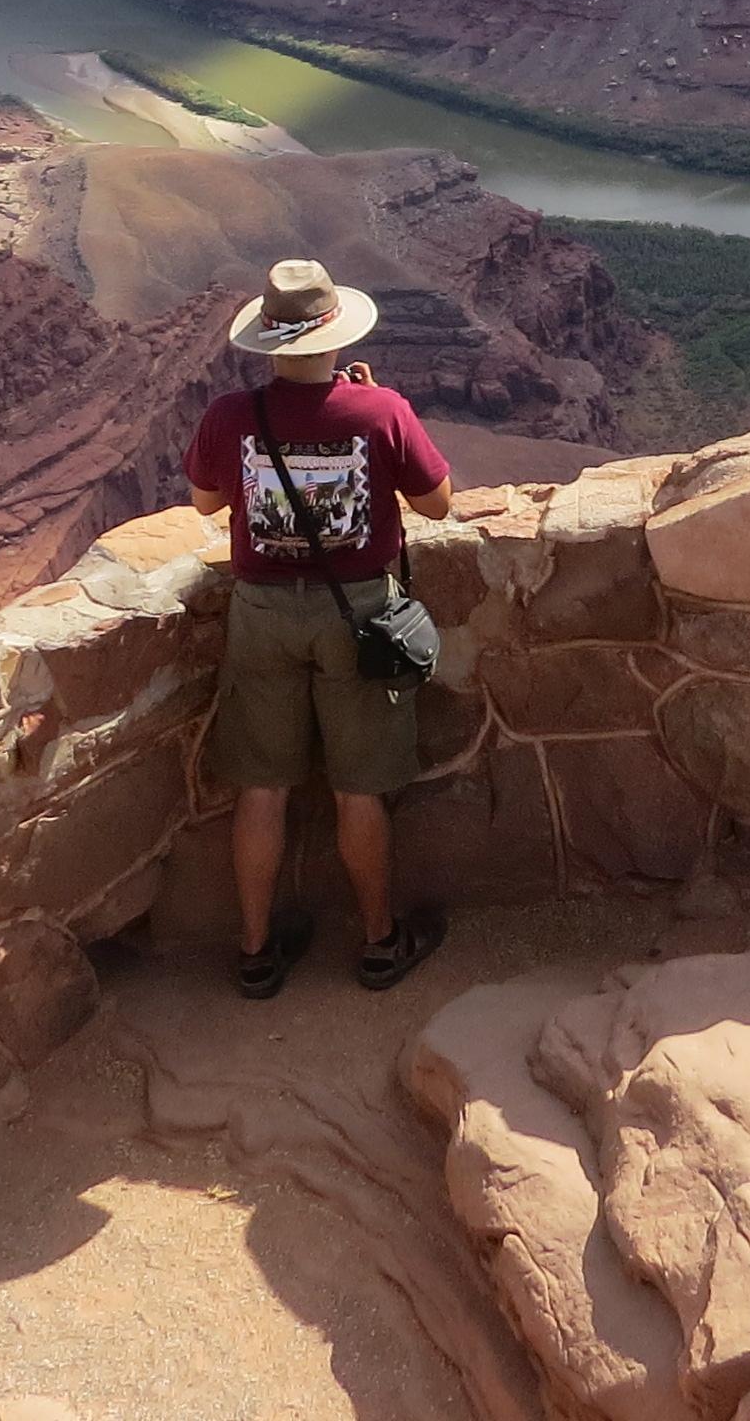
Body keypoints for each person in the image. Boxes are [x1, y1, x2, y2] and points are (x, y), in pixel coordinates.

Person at [185, 256, 456, 998]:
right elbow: (438, 505)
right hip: (359, 614)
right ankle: (377, 943)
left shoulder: (231, 416)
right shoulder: (380, 411)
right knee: (358, 791)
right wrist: (371, 411)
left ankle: (255, 953)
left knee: (263, 789)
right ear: (336, 334)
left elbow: (207, 505)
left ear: (272, 341)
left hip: (262, 614)